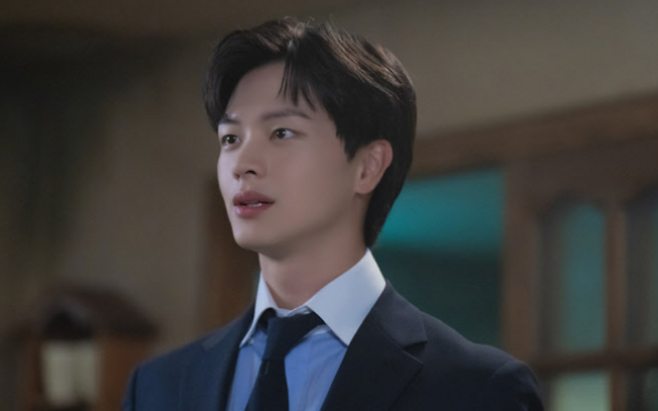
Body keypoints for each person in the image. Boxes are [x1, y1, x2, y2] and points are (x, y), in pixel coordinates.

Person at [122, 18, 544, 411]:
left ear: (368, 167)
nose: (242, 164)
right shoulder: (158, 387)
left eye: (281, 132)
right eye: (230, 138)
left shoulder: (476, 388)